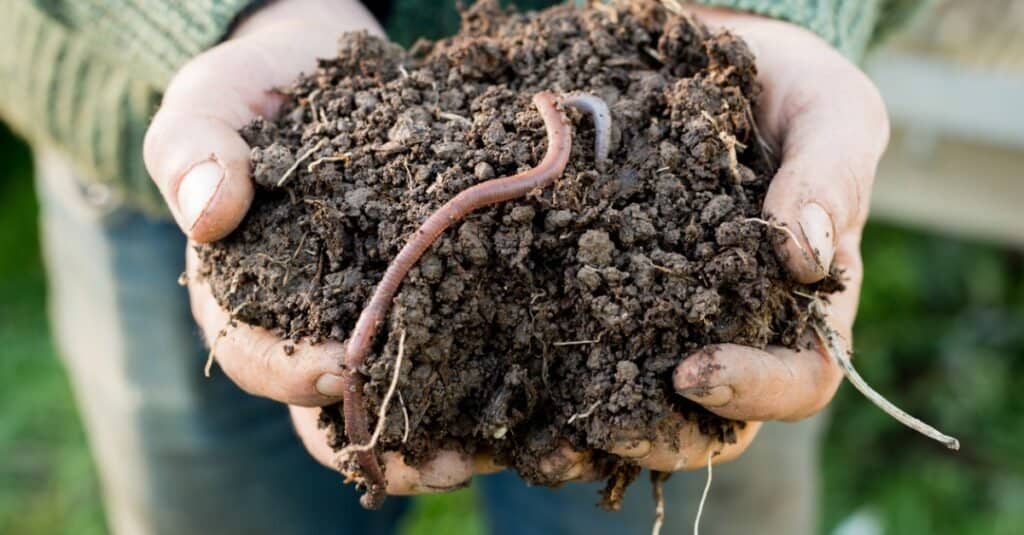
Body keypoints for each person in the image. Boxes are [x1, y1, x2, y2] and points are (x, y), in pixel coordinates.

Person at [0, 0, 915, 533]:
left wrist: (766, 18)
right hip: (192, 129)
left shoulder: (701, 147)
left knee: (679, 409)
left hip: (693, 246)